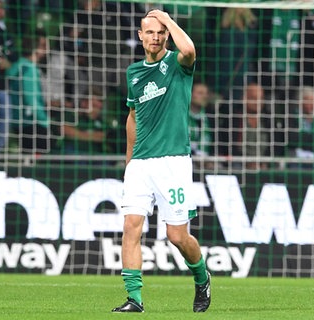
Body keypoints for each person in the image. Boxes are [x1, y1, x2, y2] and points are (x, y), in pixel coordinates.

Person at [112, 9, 210, 313]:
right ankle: (134, 299)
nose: (155, 37)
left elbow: (190, 49)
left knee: (177, 236)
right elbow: (132, 116)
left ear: (166, 35)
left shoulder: (177, 63)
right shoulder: (134, 73)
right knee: (131, 226)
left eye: (160, 32)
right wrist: (130, 160)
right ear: (140, 36)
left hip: (173, 162)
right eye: (150, 32)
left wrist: (167, 20)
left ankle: (201, 276)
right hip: (141, 163)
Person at [6, 32, 52, 153]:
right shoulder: (29, 69)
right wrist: (44, 120)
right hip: (31, 123)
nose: (47, 49)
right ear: (36, 48)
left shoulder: (16, 66)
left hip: (17, 121)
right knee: (39, 166)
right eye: (44, 45)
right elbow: (31, 99)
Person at [0, 0, 14, 151]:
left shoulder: (3, 33)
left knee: (3, 123)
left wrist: (6, 62)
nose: (0, 11)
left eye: (2, 8)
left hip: (1, 86)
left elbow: (12, 57)